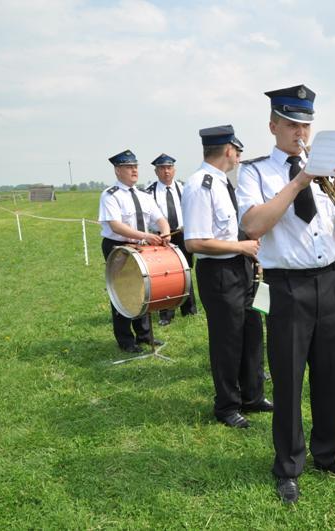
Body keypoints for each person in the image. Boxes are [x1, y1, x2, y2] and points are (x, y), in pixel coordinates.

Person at [236, 84, 335, 504]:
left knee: (333, 375)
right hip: (287, 285)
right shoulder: (256, 173)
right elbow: (254, 225)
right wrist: (298, 182)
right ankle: (289, 465)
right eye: (292, 124)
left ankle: (329, 453)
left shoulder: (326, 172)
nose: (300, 133)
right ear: (273, 126)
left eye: (306, 125)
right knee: (289, 379)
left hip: (331, 280)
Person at [181, 125, 270, 430]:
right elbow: (194, 242)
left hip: (241, 267)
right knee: (227, 340)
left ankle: (253, 395)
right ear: (229, 150)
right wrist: (240, 247)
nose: (239, 157)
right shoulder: (200, 185)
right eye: (238, 152)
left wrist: (248, 251)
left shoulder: (223, 183)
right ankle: (227, 406)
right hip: (219, 273)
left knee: (252, 332)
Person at [98, 149, 169, 353]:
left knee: (143, 288)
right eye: (129, 167)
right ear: (117, 170)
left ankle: (144, 335)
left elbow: (159, 218)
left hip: (141, 247)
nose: (134, 170)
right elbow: (116, 226)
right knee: (123, 290)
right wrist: (146, 236)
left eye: (135, 166)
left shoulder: (144, 195)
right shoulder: (110, 195)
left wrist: (165, 231)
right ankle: (125, 340)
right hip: (119, 247)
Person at [146, 153, 197, 325]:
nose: (166, 171)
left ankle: (189, 310)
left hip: (182, 235)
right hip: (161, 237)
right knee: (165, 274)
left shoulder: (184, 188)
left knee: (186, 270)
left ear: (174, 170)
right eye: (162, 168)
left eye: (169, 168)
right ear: (156, 171)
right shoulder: (149, 192)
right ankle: (166, 314)